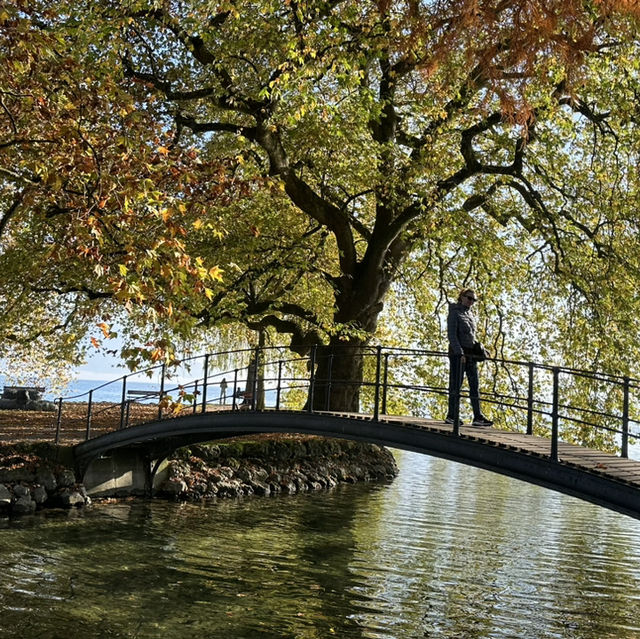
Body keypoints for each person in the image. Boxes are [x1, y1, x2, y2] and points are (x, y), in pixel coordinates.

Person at [445, 288, 493, 427]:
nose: (471, 301)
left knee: (474, 385)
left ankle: (478, 417)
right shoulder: (454, 313)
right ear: (462, 297)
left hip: (471, 354)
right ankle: (452, 415)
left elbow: (471, 336)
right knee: (456, 385)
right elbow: (452, 336)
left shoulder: (470, 314)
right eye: (469, 298)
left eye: (474, 299)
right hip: (458, 355)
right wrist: (460, 353)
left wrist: (481, 349)